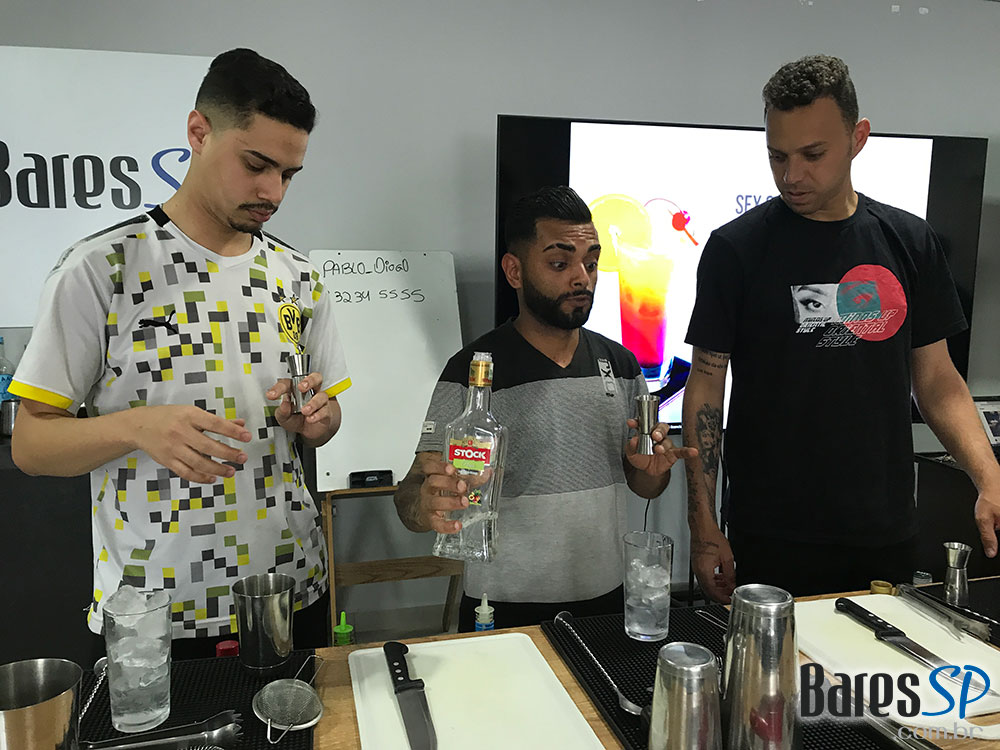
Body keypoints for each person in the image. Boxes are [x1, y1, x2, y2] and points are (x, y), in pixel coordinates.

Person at [10, 49, 350, 657]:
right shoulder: (103, 268)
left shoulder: (298, 276)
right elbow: (31, 446)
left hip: (289, 589)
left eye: (289, 174)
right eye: (256, 164)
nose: (272, 191)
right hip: (155, 609)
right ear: (198, 132)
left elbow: (326, 420)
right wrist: (137, 426)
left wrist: (316, 419)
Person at [682, 54, 1000, 602]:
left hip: (883, 528)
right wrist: (703, 525)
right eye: (777, 156)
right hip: (771, 530)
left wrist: (988, 475)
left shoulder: (910, 241)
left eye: (812, 155)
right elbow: (706, 385)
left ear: (858, 139)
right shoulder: (736, 249)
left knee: (878, 660)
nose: (791, 176)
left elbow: (937, 381)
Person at [393, 186, 696, 631]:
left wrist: (652, 471)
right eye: (560, 263)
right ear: (514, 271)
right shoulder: (473, 370)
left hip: (606, 600)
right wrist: (426, 504)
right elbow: (410, 495)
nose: (582, 278)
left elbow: (645, 485)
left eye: (591, 263)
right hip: (501, 607)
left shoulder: (623, 365)